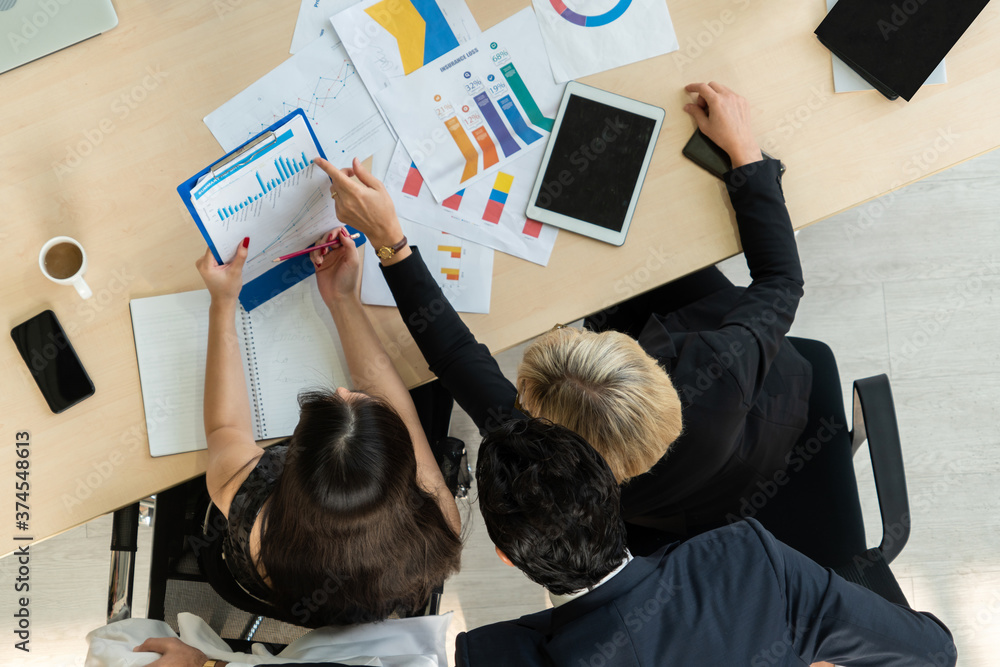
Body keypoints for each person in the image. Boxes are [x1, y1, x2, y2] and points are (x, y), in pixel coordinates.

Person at [313, 82, 811, 543]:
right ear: (645, 364)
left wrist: (392, 245)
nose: (582, 325)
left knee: (609, 265)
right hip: (732, 439)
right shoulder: (724, 361)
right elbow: (783, 279)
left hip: (730, 456)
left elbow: (456, 356)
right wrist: (744, 152)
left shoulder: (543, 464)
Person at [457, 418, 957, 667]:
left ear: (505, 557)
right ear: (614, 488)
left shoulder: (487, 654)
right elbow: (934, 651)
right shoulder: (745, 561)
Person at [196, 228, 461, 627]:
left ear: (289, 462)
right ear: (404, 468)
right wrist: (342, 299)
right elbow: (397, 406)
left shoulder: (253, 510)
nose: (343, 388)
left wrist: (222, 302)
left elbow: (225, 427)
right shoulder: (438, 522)